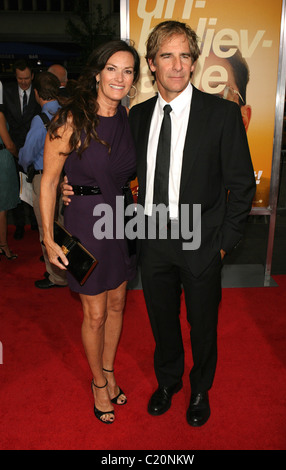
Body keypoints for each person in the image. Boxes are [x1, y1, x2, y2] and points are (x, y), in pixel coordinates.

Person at [62, 21, 256, 427]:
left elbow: (241, 187)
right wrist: (71, 187)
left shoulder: (222, 115)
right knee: (161, 321)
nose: (177, 64)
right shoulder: (138, 115)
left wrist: (223, 245)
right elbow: (106, 166)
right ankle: (169, 381)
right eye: (167, 55)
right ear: (151, 64)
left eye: (185, 55)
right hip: (150, 239)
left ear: (194, 62)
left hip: (202, 241)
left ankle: (200, 388)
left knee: (203, 325)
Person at [39, 41, 140, 424]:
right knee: (94, 312)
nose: (120, 77)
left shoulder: (127, 116)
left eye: (128, 71)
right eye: (112, 69)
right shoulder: (70, 120)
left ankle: (110, 371)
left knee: (118, 304)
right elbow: (49, 183)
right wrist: (48, 238)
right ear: (98, 73)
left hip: (122, 222)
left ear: (133, 79)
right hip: (85, 224)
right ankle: (98, 383)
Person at [18, 71, 67, 289]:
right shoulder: (67, 113)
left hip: (44, 178)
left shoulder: (41, 120)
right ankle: (69, 269)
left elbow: (28, 154)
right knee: (64, 227)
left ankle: (57, 276)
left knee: (46, 227)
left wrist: (20, 159)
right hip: (66, 179)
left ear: (37, 94)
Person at [3, 59, 41, 240]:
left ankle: (35, 221)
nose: (23, 82)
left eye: (26, 78)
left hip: (35, 148)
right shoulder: (8, 91)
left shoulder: (37, 92)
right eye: (20, 79)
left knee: (34, 186)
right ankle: (19, 224)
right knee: (18, 188)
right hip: (14, 149)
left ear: (32, 76)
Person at [0, 110, 19, 260]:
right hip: (2, 161)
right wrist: (20, 156)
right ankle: (3, 246)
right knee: (2, 209)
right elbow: (9, 144)